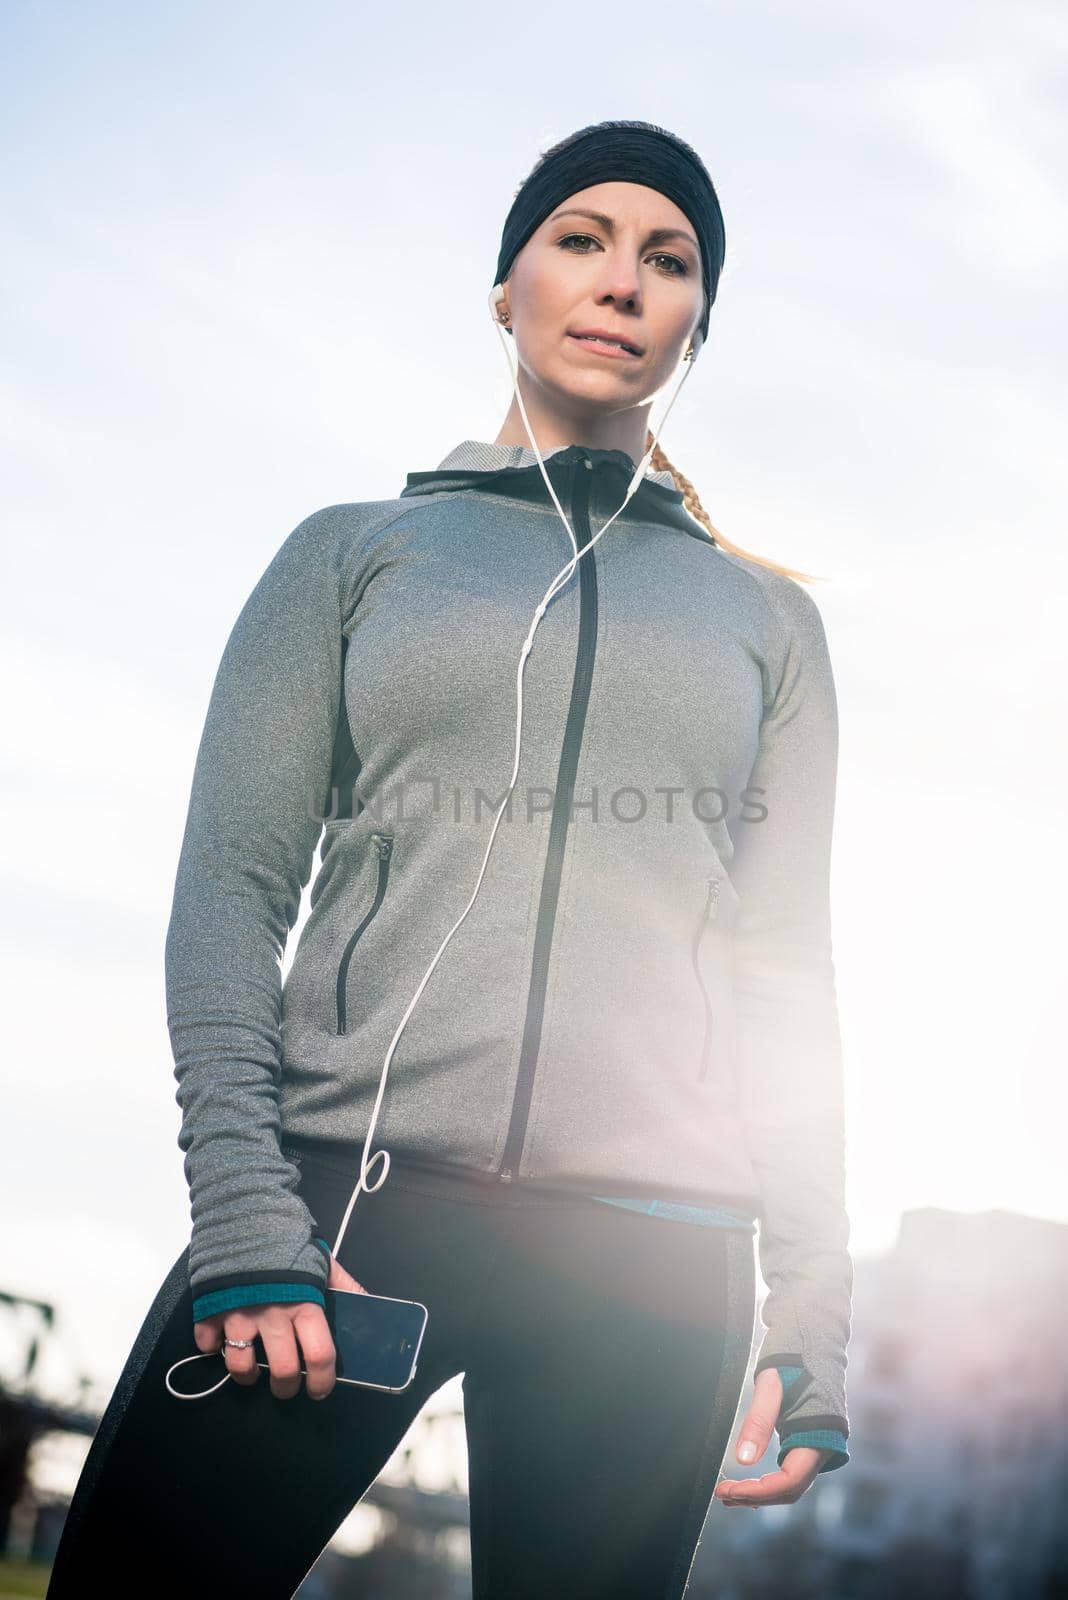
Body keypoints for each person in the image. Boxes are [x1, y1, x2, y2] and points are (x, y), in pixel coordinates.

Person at [46, 119, 853, 1600]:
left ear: (696, 325)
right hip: (347, 1215)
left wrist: (807, 1315)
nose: (621, 281)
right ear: (506, 288)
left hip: (655, 1268)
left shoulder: (769, 627)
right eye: (581, 239)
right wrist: (249, 1228)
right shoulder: (352, 558)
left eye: (667, 261)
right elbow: (230, 896)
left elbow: (784, 975)